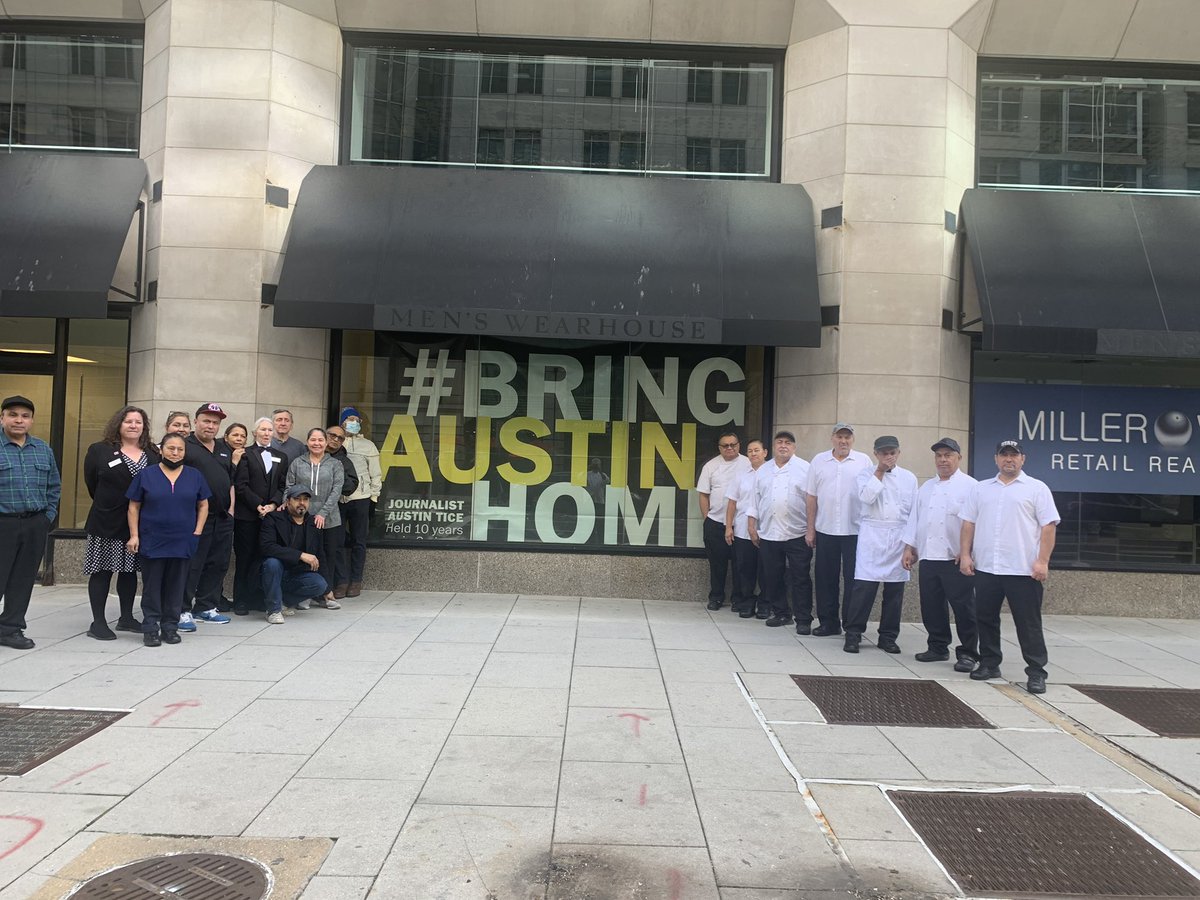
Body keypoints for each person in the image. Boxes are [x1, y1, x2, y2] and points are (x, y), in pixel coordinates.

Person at [959, 440, 1060, 695]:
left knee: (1028, 623)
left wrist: (1043, 561)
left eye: (1014, 455)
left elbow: (1049, 527)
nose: (1009, 460)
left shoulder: (1037, 489)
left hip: (1023, 570)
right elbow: (968, 523)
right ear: (996, 459)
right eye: (1004, 455)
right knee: (986, 619)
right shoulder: (981, 489)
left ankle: (1036, 672)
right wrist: (965, 555)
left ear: (1023, 459)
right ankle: (990, 664)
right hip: (988, 569)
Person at [901, 437, 979, 672]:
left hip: (955, 559)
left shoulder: (971, 486)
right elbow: (915, 519)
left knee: (964, 608)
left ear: (959, 458)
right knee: (931, 605)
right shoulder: (927, 487)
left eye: (948, 455)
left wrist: (968, 552)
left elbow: (977, 523)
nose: (943, 460)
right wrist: (909, 548)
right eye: (939, 456)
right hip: (929, 557)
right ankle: (937, 646)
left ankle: (968, 653)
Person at [125, 432, 210, 647]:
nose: (175, 453)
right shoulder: (147, 475)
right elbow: (134, 506)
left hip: (183, 540)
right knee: (153, 585)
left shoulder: (194, 476)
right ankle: (151, 627)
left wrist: (197, 532)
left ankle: (170, 627)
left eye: (180, 449)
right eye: (171, 448)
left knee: (176, 585)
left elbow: (203, 505)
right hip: (152, 539)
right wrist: (134, 535)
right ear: (161, 450)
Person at [82, 405, 158, 640]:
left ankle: (126, 617)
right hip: (106, 520)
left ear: (144, 427)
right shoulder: (99, 451)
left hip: (138, 523)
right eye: (128, 421)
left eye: (138, 422)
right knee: (102, 571)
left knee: (129, 572)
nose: (133, 426)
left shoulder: (153, 453)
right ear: (119, 424)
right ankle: (99, 622)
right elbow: (92, 484)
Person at [843, 436, 917, 654]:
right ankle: (853, 633)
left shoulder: (909, 478)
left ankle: (888, 636)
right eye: (884, 453)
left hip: (898, 537)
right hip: (872, 537)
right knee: (863, 589)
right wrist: (880, 473)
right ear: (876, 454)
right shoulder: (865, 475)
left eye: (892, 453)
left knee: (894, 592)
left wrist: (910, 546)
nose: (888, 457)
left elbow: (914, 513)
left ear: (898, 453)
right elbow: (866, 498)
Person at [0, 395, 60, 650]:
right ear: (2, 417)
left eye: (24, 416)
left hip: (34, 523)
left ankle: (10, 629)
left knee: (23, 580)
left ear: (32, 421)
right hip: (3, 523)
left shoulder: (43, 449)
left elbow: (54, 487)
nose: (19, 420)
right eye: (13, 414)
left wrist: (46, 518)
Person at [806, 423, 872, 636]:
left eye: (847, 437)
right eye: (839, 437)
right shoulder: (819, 460)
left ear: (853, 439)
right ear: (832, 438)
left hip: (855, 531)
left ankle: (851, 625)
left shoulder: (864, 461)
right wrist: (810, 529)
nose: (843, 441)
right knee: (826, 579)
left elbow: (872, 495)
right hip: (825, 529)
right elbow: (811, 497)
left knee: (854, 580)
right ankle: (828, 622)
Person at [747, 431, 813, 631]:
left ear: (794, 447)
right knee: (772, 576)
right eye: (779, 442)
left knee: (800, 577)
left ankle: (803, 619)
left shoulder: (805, 468)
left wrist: (811, 529)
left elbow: (812, 501)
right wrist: (751, 526)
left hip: (798, 533)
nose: (783, 446)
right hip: (769, 532)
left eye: (788, 443)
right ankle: (782, 613)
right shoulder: (764, 470)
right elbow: (754, 500)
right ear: (774, 447)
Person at [181, 402, 235, 630]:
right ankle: (181, 609)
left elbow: (230, 481)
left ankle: (205, 606)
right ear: (196, 422)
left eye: (215, 422)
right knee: (192, 565)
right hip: (195, 518)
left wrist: (231, 511)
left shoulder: (224, 448)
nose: (210, 426)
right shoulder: (184, 446)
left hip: (222, 518)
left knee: (217, 564)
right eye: (206, 421)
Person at [232, 417, 286, 616]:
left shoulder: (281, 456)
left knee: (264, 558)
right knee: (245, 558)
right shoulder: (246, 454)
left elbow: (282, 485)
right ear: (255, 433)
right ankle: (241, 600)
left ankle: (259, 598)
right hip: (247, 516)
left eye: (269, 430)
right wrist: (258, 505)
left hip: (270, 517)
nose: (266, 433)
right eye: (262, 429)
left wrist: (272, 504)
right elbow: (241, 485)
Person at [286, 427, 344, 609]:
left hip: (329, 518)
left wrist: (322, 513)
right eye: (313, 440)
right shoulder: (297, 463)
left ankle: (327, 595)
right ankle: (307, 594)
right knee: (307, 556)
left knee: (328, 556)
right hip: (303, 518)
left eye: (320, 440)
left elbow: (337, 490)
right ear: (308, 442)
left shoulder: (335, 464)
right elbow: (289, 487)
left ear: (326, 443)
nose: (317, 443)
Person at [696, 431, 751, 611]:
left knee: (740, 564)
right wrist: (707, 519)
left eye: (733, 444)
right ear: (719, 448)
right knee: (717, 564)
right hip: (716, 522)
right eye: (725, 445)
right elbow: (704, 494)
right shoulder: (711, 466)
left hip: (740, 524)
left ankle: (738, 599)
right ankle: (716, 597)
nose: (729, 448)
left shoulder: (748, 463)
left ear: (739, 445)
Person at [260, 484, 328, 623]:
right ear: (288, 501)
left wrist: (328, 589)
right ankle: (274, 610)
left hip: (297, 574)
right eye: (297, 499)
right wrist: (300, 555)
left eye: (305, 499)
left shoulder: (312, 523)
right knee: (272, 563)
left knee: (320, 584)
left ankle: (283, 602)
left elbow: (320, 554)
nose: (302, 503)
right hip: (274, 572)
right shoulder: (273, 518)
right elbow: (267, 547)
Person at [724, 437, 768, 618]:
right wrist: (728, 527)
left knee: (766, 569)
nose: (753, 453)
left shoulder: (772, 473)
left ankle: (765, 603)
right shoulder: (741, 474)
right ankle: (746, 602)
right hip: (742, 529)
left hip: (766, 530)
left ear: (765, 452)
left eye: (757, 450)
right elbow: (732, 502)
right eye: (750, 451)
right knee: (745, 569)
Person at [325, 423, 360, 599]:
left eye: (340, 438)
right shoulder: (306, 456)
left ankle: (339, 583)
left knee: (335, 546)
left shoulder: (343, 461)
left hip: (333, 509)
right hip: (308, 510)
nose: (336, 440)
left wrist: (333, 482)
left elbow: (351, 485)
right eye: (332, 435)